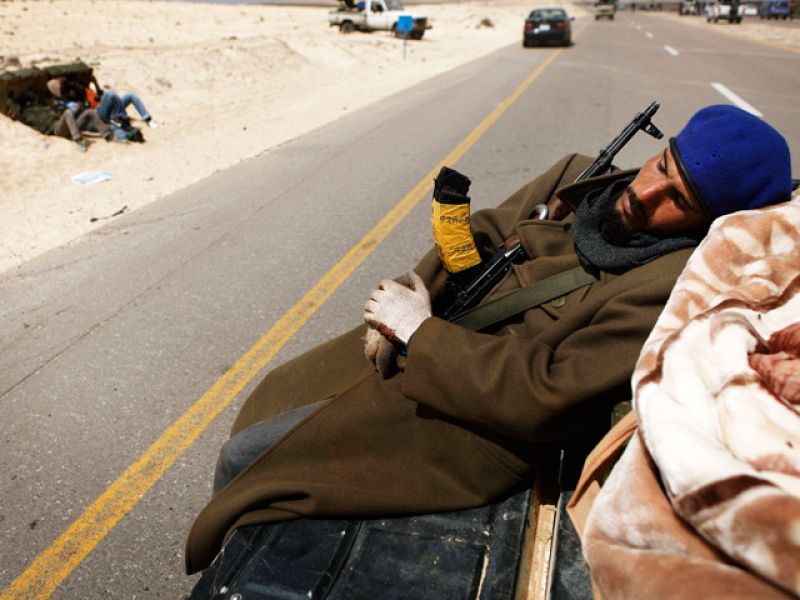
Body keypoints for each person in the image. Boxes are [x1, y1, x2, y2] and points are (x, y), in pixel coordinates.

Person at [184, 105, 793, 574]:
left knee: (256, 466)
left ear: (709, 221)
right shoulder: (582, 177)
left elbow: (545, 394)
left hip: (479, 417)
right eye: (664, 165)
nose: (645, 194)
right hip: (431, 336)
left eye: (677, 200)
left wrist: (421, 335)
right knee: (270, 396)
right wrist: (413, 292)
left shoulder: (665, 285)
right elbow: (481, 233)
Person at [6, 81, 113, 152]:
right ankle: (78, 140)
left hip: (66, 124)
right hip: (56, 129)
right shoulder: (25, 113)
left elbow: (33, 96)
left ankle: (107, 134)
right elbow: (12, 104)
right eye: (26, 103)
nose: (29, 103)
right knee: (68, 113)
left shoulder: (40, 106)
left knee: (89, 112)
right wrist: (14, 97)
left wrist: (22, 94)